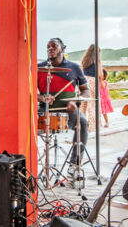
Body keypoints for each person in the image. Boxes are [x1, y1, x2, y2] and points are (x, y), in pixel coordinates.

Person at [38, 38, 91, 167]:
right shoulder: (39, 68)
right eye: (48, 46)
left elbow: (86, 91)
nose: (50, 48)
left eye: (54, 46)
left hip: (69, 109)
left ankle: (75, 164)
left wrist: (74, 101)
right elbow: (30, 93)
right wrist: (41, 98)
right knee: (28, 123)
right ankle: (30, 163)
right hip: (45, 109)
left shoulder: (74, 67)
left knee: (83, 123)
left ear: (62, 48)